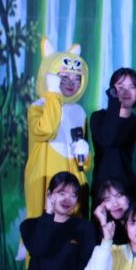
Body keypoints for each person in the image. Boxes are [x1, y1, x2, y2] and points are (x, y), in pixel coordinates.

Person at [25, 39, 91, 225]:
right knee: (43, 227)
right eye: (64, 77)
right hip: (46, 178)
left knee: (75, 230)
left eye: (76, 78)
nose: (71, 83)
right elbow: (46, 130)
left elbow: (85, 164)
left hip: (74, 181)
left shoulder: (80, 112)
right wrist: (52, 94)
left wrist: (85, 154)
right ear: (51, 76)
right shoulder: (37, 107)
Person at [90, 68, 136, 198]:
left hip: (134, 194)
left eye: (132, 87)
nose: (126, 92)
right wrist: (114, 103)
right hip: (104, 194)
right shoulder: (98, 118)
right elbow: (109, 139)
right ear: (112, 90)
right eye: (121, 86)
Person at [93, 178, 132, 244]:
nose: (115, 204)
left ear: (128, 198)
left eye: (119, 196)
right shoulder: (104, 225)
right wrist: (103, 222)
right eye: (107, 200)